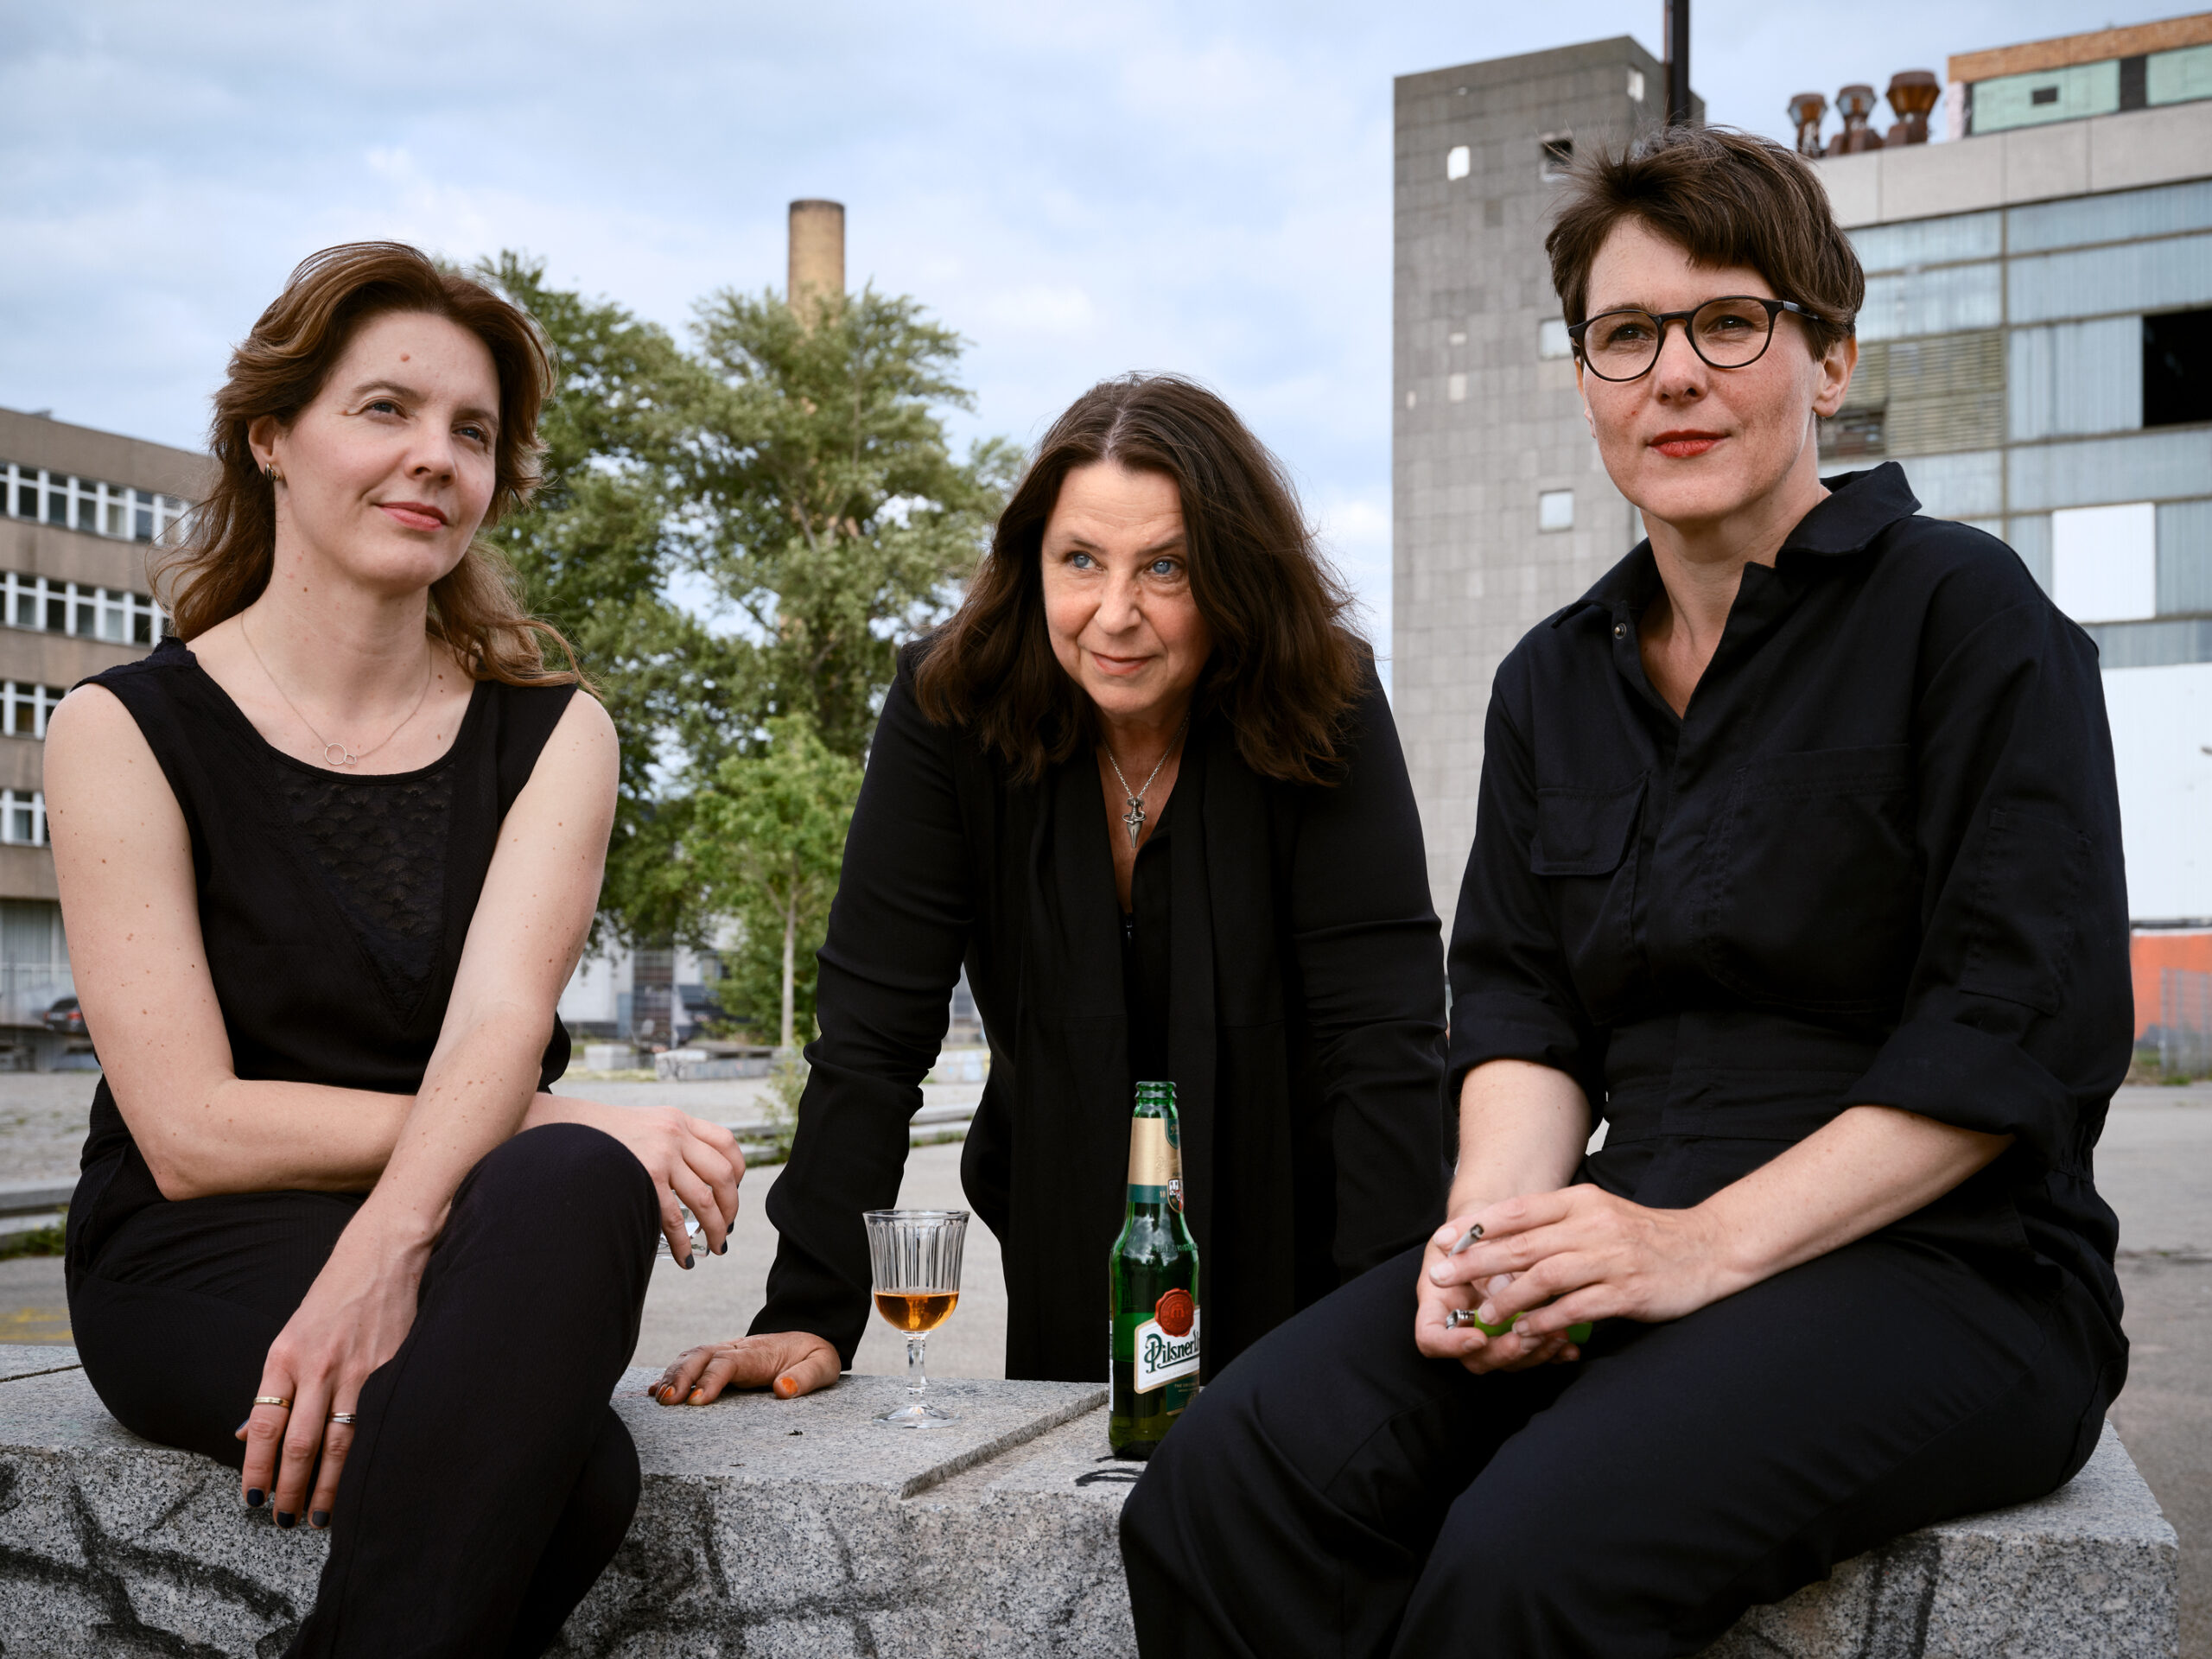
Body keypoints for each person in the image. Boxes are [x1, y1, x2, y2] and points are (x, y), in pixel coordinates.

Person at [1121, 126, 2132, 1656]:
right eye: (1626, 334)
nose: (1676, 375)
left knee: (1532, 1562)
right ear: (1587, 375)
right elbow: (1520, 1008)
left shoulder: (1966, 614)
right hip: (1634, 1227)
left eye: (1731, 323)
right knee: (1219, 1487)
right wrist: (1492, 1242)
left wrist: (1694, 1249)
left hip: (1954, 1269)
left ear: (1831, 358)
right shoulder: (1551, 683)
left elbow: (2015, 1026)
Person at [52, 242, 743, 1657]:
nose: (433, 457)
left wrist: (405, 1226)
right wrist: (549, 1113)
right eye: (385, 410)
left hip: (463, 1241)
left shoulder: (554, 735)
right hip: (193, 1250)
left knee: (565, 1183)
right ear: (270, 437)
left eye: (472, 433)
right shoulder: (119, 729)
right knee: (578, 1464)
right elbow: (189, 1130)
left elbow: (498, 1020)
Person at [652, 374, 1448, 1406]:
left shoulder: (1323, 702)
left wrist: (1386, 1327)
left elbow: (1383, 1039)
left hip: (1306, 1205)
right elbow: (873, 1036)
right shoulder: (950, 710)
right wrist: (809, 1307)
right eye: (1081, 560)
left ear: (1236, 577)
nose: (1115, 615)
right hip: (1062, 1195)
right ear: (1033, 561)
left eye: (1165, 567)